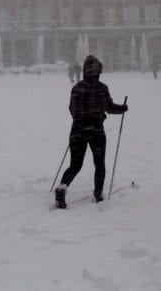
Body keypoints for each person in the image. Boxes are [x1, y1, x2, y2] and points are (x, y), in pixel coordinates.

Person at [54, 55, 128, 208]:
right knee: (99, 163)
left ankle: (62, 187)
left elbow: (72, 110)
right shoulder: (101, 88)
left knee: (75, 164)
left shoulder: (77, 88)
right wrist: (122, 108)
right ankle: (98, 193)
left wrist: (81, 117)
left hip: (78, 129)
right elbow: (109, 107)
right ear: (98, 71)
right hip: (96, 130)